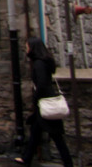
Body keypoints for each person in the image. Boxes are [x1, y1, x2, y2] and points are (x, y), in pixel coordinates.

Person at [16, 37, 73, 166]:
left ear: (33, 48)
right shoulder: (45, 62)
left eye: (27, 46)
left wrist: (36, 97)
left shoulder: (39, 64)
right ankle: (27, 158)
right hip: (45, 101)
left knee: (56, 136)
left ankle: (68, 163)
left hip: (46, 103)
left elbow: (41, 84)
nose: (26, 49)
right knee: (35, 131)